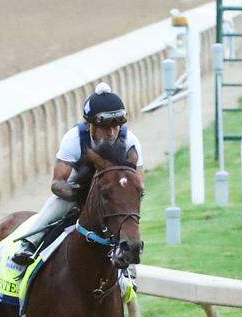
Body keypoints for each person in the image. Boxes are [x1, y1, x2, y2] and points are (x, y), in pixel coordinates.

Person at [10, 83, 143, 267]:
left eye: (116, 125)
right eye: (104, 127)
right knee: (59, 203)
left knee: (128, 215)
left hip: (113, 196)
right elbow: (57, 183)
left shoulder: (130, 141)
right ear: (89, 125)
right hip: (80, 189)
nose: (112, 132)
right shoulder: (74, 139)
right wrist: (80, 196)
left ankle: (130, 263)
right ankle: (30, 243)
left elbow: (137, 185)